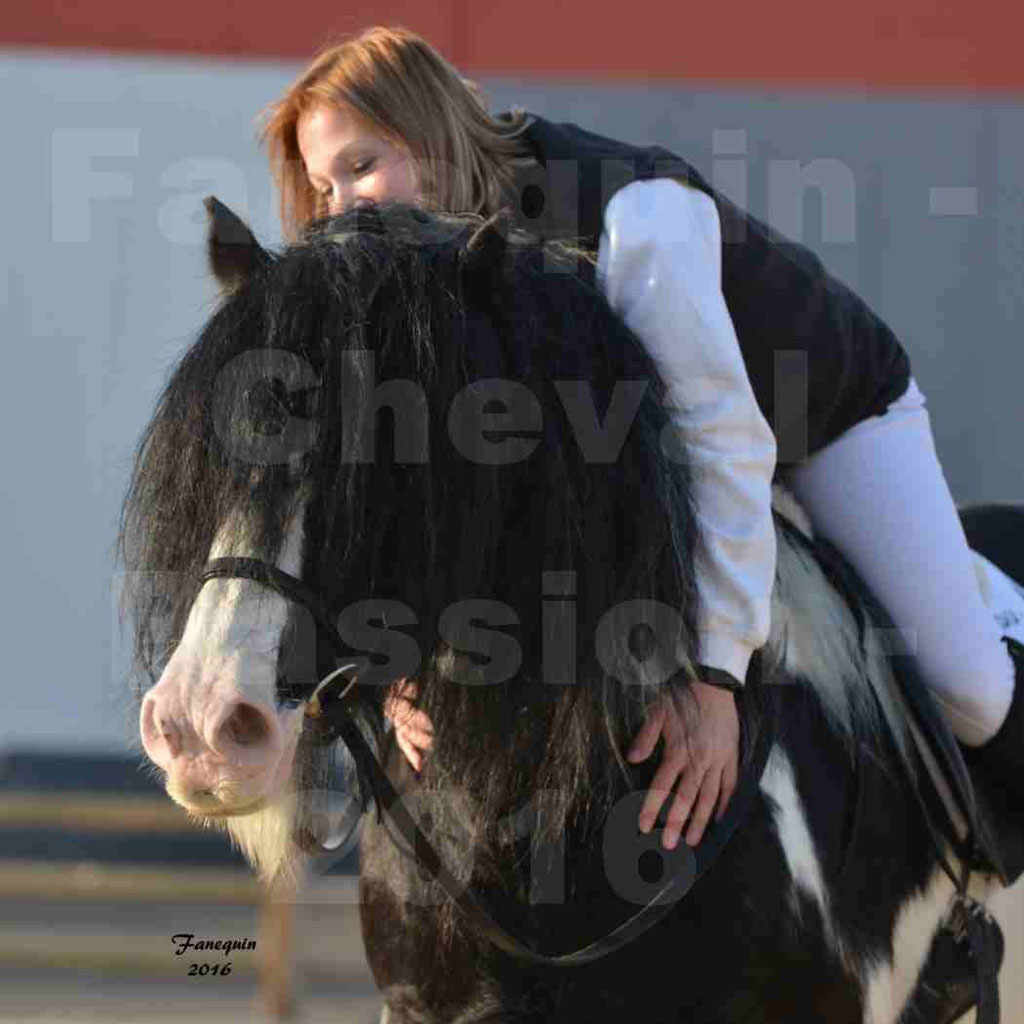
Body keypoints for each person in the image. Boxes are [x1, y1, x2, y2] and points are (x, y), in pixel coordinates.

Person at [258, 25, 1024, 871]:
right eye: (325, 186)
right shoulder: (409, 280)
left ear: (434, 136)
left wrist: (715, 680)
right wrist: (400, 668)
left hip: (821, 421)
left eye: (363, 165)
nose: (343, 208)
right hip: (640, 465)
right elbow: (434, 489)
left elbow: (722, 440)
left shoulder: (633, 212)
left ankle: (988, 597)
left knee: (973, 695)